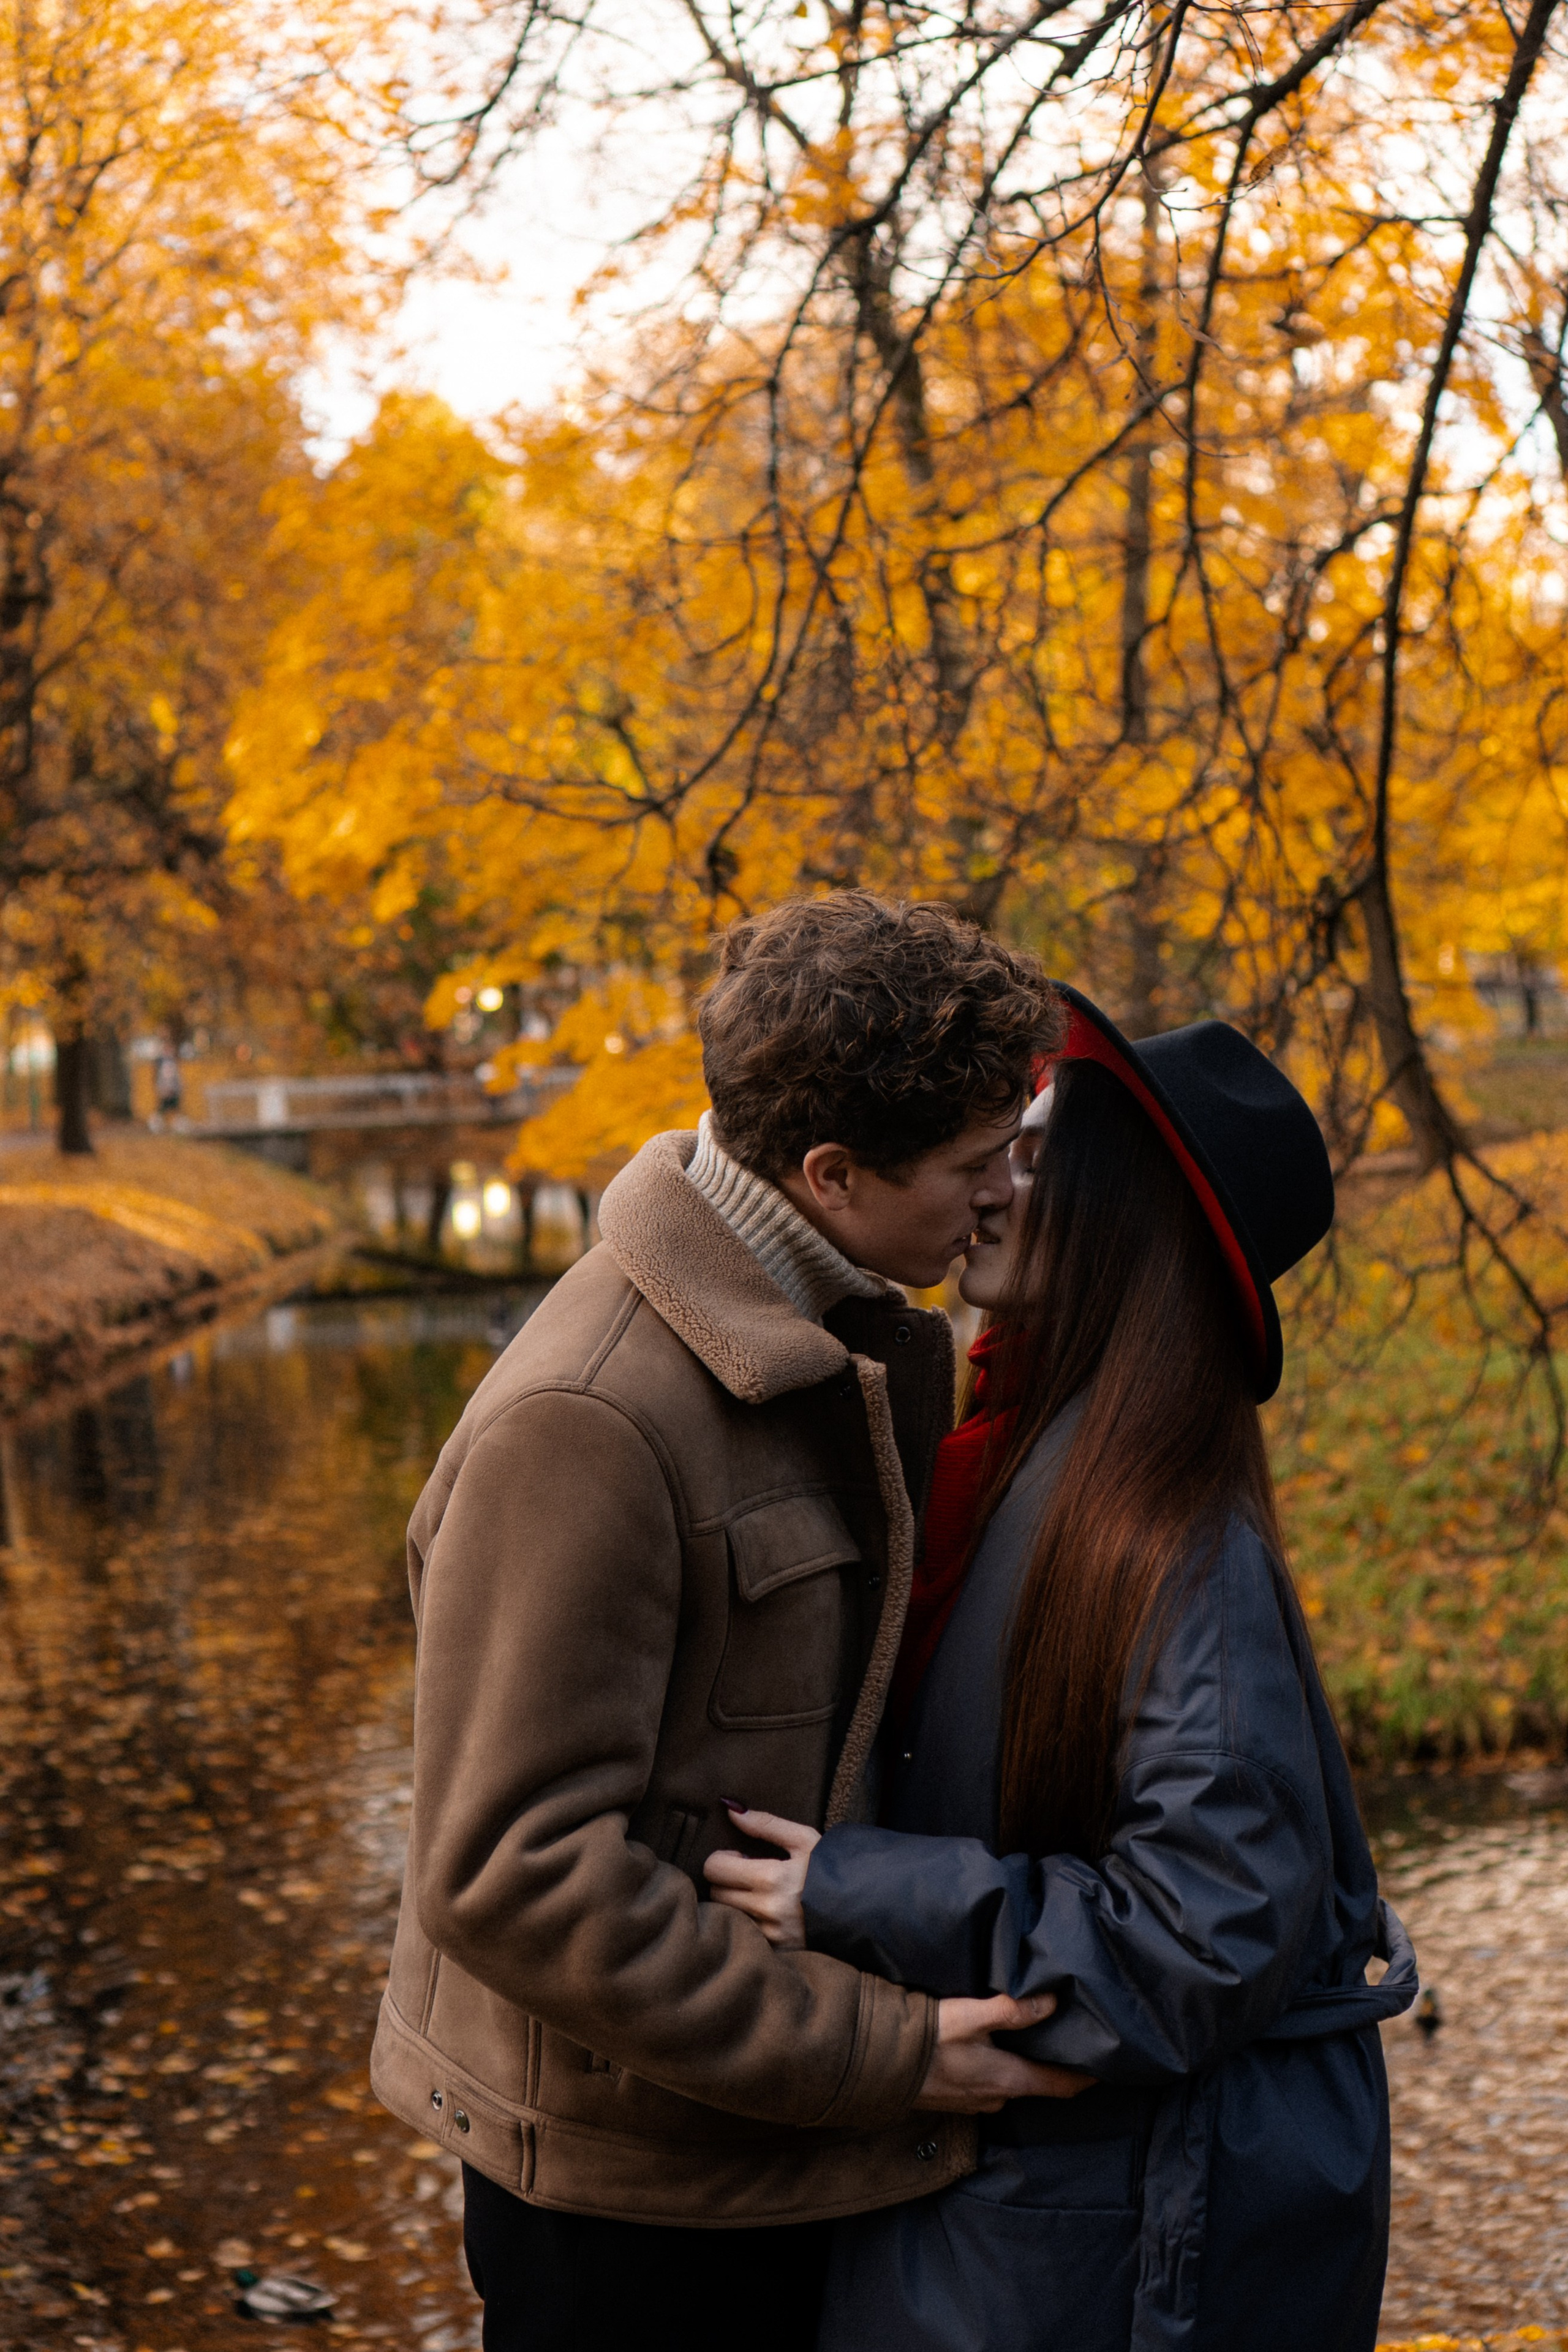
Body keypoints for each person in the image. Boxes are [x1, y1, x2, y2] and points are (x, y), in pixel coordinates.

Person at [369, 894, 1079, 2352]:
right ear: (829, 1173)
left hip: (763, 2157)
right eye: (973, 1162)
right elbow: (510, 1871)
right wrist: (883, 2054)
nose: (1004, 1189)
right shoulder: (590, 1420)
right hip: (631, 2214)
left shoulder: (843, 1322)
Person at [705, 986, 1419, 2352]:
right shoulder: (1017, 1456)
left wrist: (854, 1894)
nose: (985, 1186)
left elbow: (1200, 1935)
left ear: (1122, 1220)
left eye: (1030, 1157)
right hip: (1031, 2223)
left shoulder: (1167, 1543)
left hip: (1106, 2258)